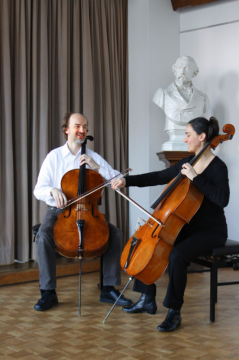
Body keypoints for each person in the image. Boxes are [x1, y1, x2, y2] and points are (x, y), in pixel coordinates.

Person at [111, 116, 229, 332]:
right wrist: (127, 181)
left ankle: (174, 312)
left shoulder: (217, 167)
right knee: (151, 244)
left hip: (212, 231)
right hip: (188, 226)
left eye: (188, 134)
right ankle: (147, 298)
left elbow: (223, 199)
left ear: (202, 137)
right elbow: (157, 176)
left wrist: (196, 178)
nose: (185, 139)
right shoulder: (188, 162)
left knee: (177, 254)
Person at [33, 112, 132, 311]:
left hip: (89, 211)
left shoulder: (92, 156)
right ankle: (48, 292)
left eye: (85, 127)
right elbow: (38, 189)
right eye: (77, 126)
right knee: (44, 235)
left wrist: (97, 167)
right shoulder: (54, 157)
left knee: (115, 234)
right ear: (66, 130)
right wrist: (52, 190)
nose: (82, 131)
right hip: (59, 211)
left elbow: (116, 179)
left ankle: (108, 289)